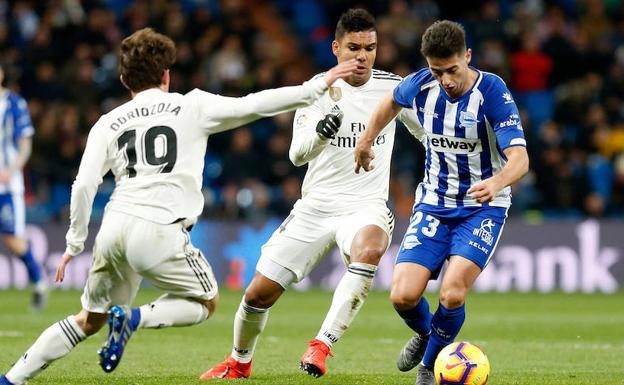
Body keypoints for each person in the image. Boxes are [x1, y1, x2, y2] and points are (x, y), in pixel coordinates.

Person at [0, 28, 357, 385]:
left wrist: (74, 244)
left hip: (113, 226)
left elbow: (83, 186)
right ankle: (134, 318)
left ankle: (12, 378)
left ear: (125, 79)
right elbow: (254, 103)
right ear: (166, 75)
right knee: (206, 302)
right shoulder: (192, 105)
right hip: (159, 228)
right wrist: (316, 86)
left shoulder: (108, 122)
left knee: (88, 319)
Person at [201, 9, 423, 380]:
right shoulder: (317, 91)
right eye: (354, 47)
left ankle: (322, 346)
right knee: (258, 295)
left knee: (369, 248)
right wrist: (322, 132)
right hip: (316, 207)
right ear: (336, 48)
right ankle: (239, 362)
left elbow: (425, 133)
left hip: (365, 205)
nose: (362, 56)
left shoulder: (392, 88)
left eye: (370, 47)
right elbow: (296, 155)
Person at [354, 20, 529, 385]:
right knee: (402, 295)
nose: (446, 80)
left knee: (451, 293)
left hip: (483, 208)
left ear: (467, 56)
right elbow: (389, 102)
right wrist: (367, 139)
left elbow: (520, 159)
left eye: (452, 70)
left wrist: (496, 182)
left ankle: (428, 368)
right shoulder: (421, 83)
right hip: (434, 203)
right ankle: (427, 333)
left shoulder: (492, 91)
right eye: (438, 71)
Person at [0, 64, 47, 310]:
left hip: (6, 185)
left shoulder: (14, 103)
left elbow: (25, 143)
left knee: (13, 240)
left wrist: (11, 170)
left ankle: (39, 282)